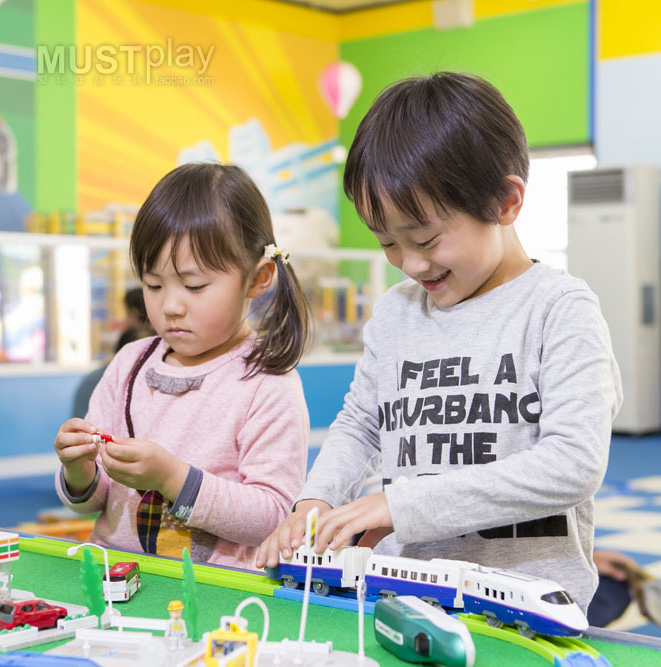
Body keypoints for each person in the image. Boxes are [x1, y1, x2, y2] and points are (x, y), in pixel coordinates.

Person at [256, 72, 622, 613]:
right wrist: (315, 501)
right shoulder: (397, 312)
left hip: (529, 606)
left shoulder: (558, 309)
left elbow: (573, 461)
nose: (410, 263)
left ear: (505, 201)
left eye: (425, 238)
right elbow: (361, 422)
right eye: (387, 243)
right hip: (402, 589)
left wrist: (397, 505)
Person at [54, 163, 311, 570]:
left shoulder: (267, 381)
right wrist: (79, 471)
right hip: (112, 578)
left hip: (213, 598)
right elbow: (95, 500)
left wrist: (171, 478)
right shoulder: (129, 364)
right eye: (153, 285)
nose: (170, 305)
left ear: (257, 279)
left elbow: (274, 516)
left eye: (194, 286)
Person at [71, 288, 154, 419]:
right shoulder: (97, 381)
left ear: (135, 313)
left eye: (126, 314)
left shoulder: (96, 380)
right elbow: (86, 434)